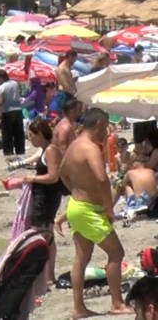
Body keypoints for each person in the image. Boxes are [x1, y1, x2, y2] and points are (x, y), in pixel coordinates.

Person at [58, 107, 134, 318]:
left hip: (77, 206)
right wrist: (109, 208)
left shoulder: (74, 145)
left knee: (81, 258)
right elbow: (102, 179)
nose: (108, 132)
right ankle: (117, 304)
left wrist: (75, 190)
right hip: (88, 210)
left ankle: (78, 308)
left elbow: (62, 173)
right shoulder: (90, 148)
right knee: (116, 253)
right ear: (98, 124)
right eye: (107, 126)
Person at [21, 119, 64, 283]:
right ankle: (48, 275)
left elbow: (53, 176)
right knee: (47, 234)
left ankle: (43, 275)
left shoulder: (51, 150)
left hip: (46, 198)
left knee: (39, 234)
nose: (30, 139)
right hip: (45, 196)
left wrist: (32, 178)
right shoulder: (46, 150)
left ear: (39, 134)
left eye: (31, 135)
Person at [0, 69, 24, 157]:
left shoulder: (2, 87)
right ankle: (20, 151)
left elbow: (0, 101)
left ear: (0, 78)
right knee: (18, 133)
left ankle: (8, 152)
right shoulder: (15, 83)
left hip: (7, 111)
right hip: (18, 109)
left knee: (7, 133)